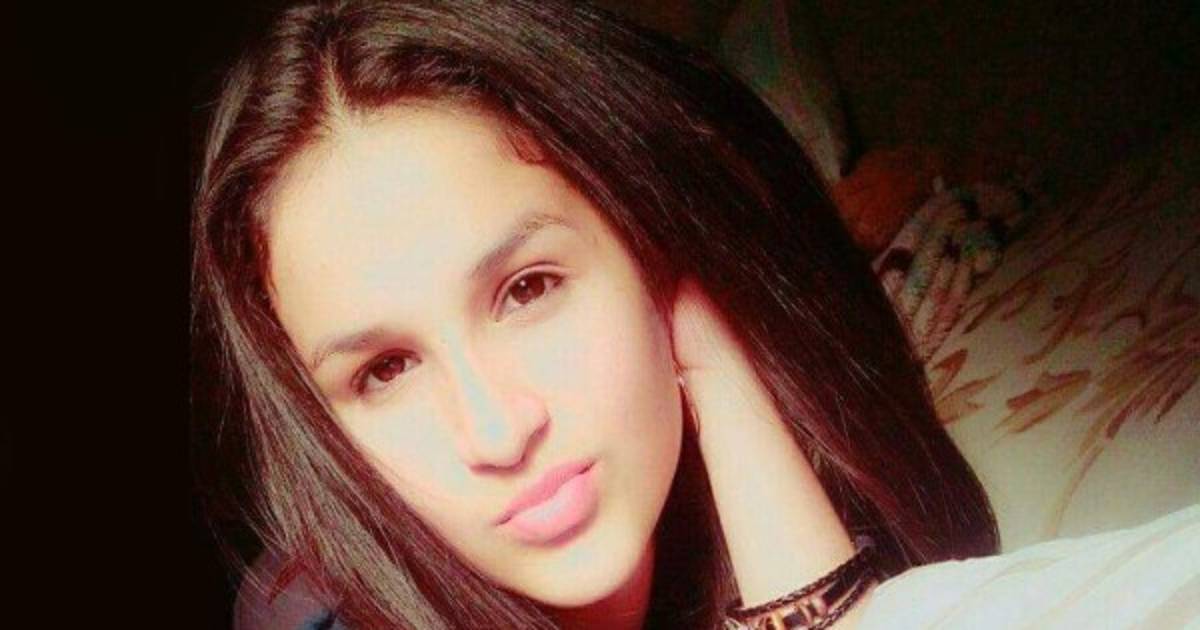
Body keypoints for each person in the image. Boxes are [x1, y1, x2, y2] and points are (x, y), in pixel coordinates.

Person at [190, 1, 1000, 627]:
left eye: (530, 288)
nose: (497, 433)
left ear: (653, 246)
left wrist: (721, 363)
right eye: (385, 370)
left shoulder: (801, 467)